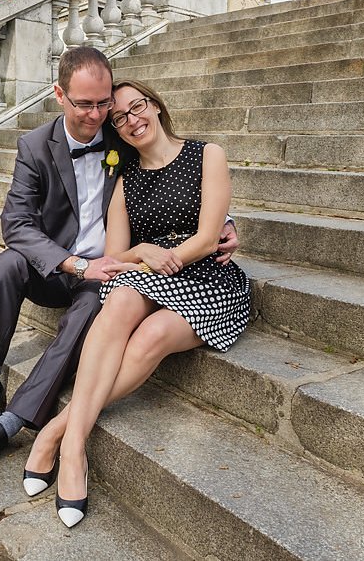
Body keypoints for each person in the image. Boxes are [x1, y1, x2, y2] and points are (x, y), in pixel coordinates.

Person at [0, 47, 239, 471]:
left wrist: (224, 221)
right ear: (59, 95)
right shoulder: (35, 145)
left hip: (108, 268)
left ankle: (16, 420)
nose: (96, 114)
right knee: (7, 263)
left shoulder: (120, 133)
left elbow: (169, 170)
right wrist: (73, 263)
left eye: (104, 103)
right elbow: (15, 223)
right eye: (84, 104)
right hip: (60, 265)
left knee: (93, 305)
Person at [25, 79, 251, 528]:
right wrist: (143, 254)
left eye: (138, 107)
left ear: (156, 106)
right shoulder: (125, 180)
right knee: (122, 299)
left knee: (151, 334)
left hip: (208, 280)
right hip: (148, 275)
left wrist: (162, 259)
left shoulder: (208, 155)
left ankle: (57, 433)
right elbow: (116, 255)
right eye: (120, 118)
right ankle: (74, 454)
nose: (132, 120)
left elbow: (208, 239)